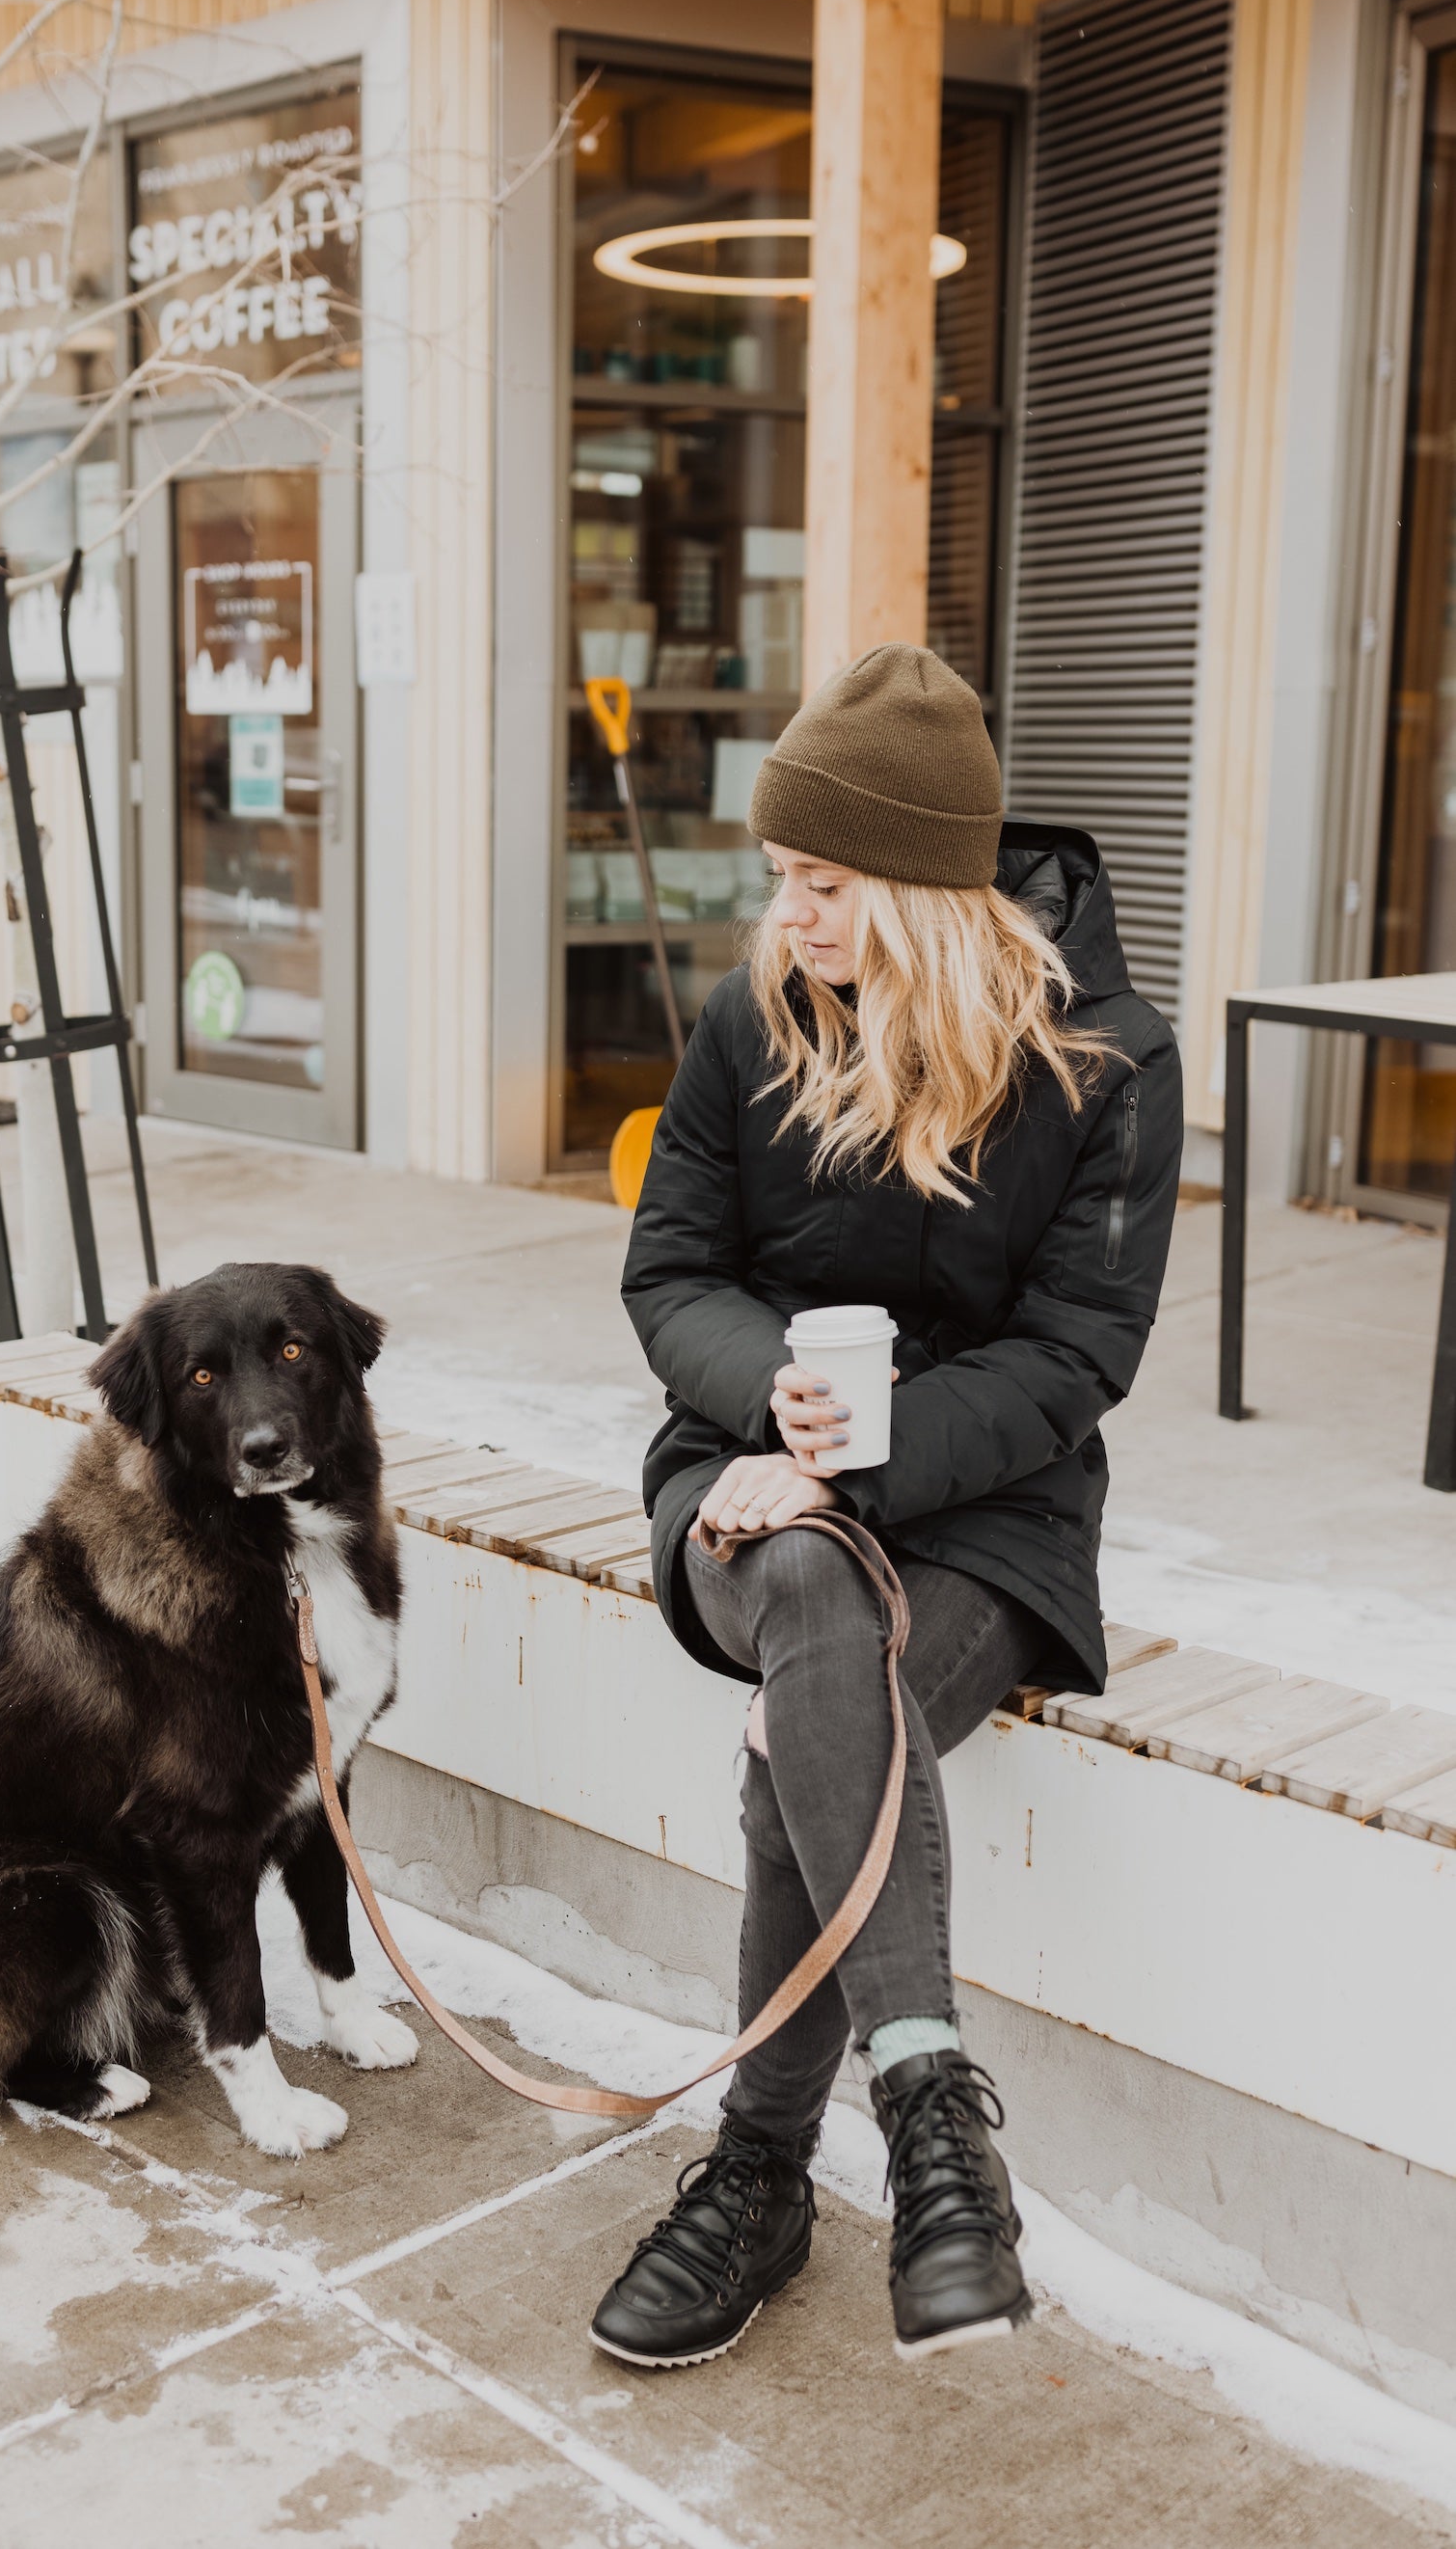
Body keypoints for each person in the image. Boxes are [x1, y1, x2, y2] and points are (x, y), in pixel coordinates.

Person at [592, 643, 1182, 2370]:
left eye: (823, 883)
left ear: (928, 889)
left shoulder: (1106, 1066)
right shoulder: (751, 1014)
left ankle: (761, 2171)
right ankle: (932, 2110)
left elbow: (1081, 1356)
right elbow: (670, 1271)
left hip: (989, 1516)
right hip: (744, 1483)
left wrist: (874, 1447)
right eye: (779, 878)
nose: (790, 916)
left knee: (814, 1730)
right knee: (811, 1604)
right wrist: (773, 1393)